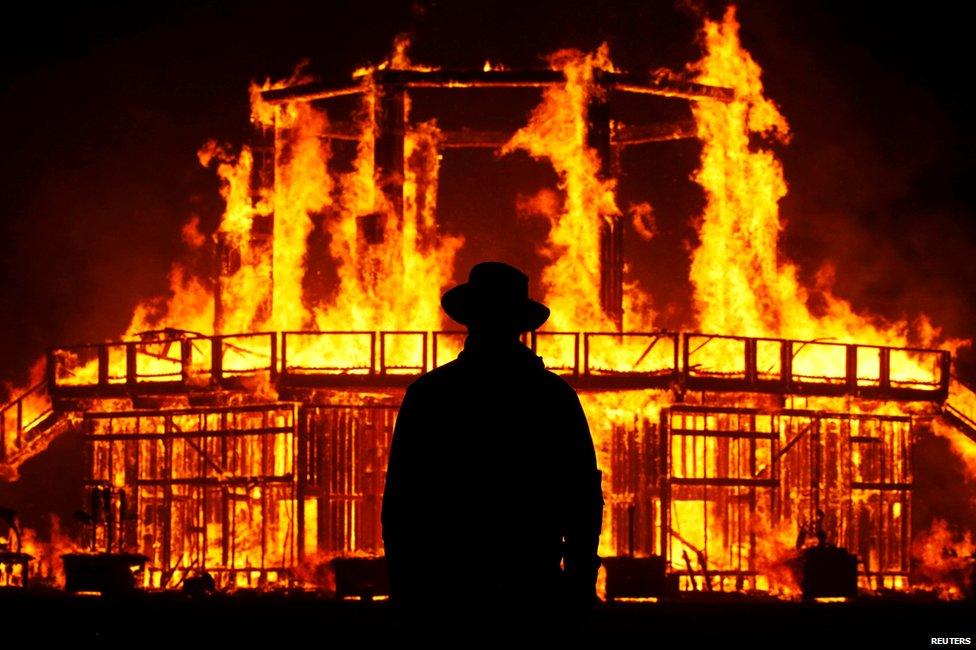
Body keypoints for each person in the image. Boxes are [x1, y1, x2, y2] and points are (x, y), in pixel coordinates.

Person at [381, 261, 603, 634]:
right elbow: (582, 500)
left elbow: (402, 503)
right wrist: (579, 584)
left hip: (448, 594)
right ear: (521, 324)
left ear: (469, 319)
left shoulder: (431, 395)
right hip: (532, 589)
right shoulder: (553, 397)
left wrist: (406, 590)